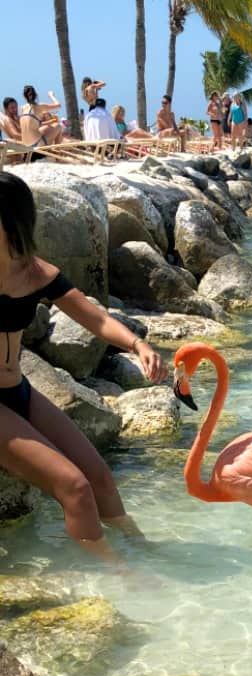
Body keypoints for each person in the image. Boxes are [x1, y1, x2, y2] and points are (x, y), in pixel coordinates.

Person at [0, 173, 165, 561]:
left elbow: (95, 318)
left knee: (100, 477)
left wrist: (137, 344)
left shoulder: (34, 272)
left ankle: (145, 550)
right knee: (74, 487)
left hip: (18, 389)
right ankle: (120, 576)